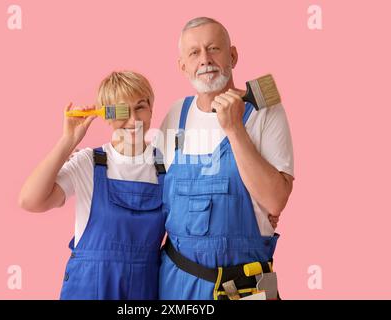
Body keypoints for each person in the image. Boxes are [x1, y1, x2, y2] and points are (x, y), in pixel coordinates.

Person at [156, 17, 294, 300]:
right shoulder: (175, 115)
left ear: (232, 55)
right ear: (182, 66)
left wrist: (234, 129)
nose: (205, 59)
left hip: (246, 286)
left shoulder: (265, 111)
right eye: (194, 53)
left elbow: (275, 200)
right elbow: (159, 197)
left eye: (214, 49)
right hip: (176, 285)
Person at [18, 71, 166, 300]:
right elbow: (30, 201)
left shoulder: (166, 165)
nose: (134, 120)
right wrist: (68, 141)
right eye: (121, 111)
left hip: (144, 288)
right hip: (88, 286)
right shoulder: (89, 162)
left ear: (151, 108)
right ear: (106, 117)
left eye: (140, 107)